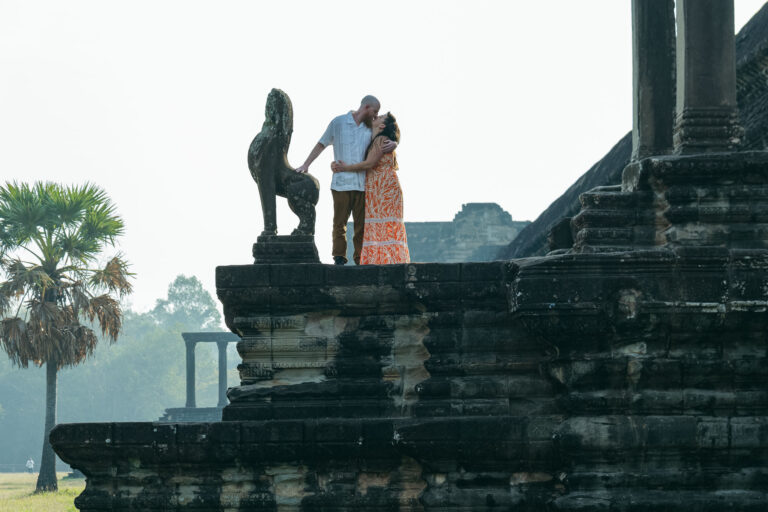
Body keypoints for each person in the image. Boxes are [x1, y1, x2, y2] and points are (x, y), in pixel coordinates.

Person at [295, 96, 396, 265]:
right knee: (339, 224)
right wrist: (306, 164)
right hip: (341, 183)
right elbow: (322, 143)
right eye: (375, 111)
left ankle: (359, 259)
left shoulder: (370, 127)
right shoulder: (338, 123)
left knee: (361, 226)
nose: (375, 116)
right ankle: (339, 257)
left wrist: (394, 143)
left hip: (363, 184)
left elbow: (389, 132)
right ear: (366, 107)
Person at [331, 113, 410, 265]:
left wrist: (344, 168)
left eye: (380, 117)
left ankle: (387, 262)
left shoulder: (381, 139)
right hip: (377, 188)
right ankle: (384, 261)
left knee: (382, 225)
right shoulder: (373, 139)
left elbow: (369, 163)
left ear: (382, 126)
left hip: (384, 189)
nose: (376, 116)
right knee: (378, 226)